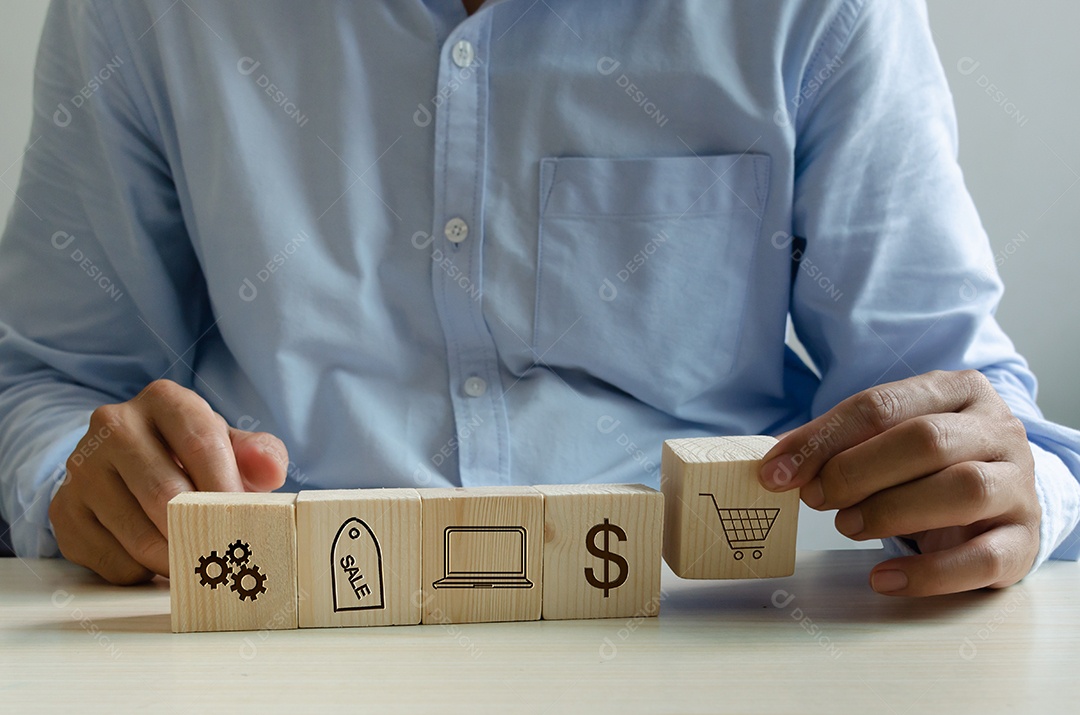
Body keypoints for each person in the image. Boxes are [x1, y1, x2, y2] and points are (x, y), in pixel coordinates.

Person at [1, 0, 1078, 596]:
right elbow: (48, 380)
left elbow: (968, 411)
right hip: (273, 614)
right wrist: (74, 484)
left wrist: (1006, 484)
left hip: (714, 633)